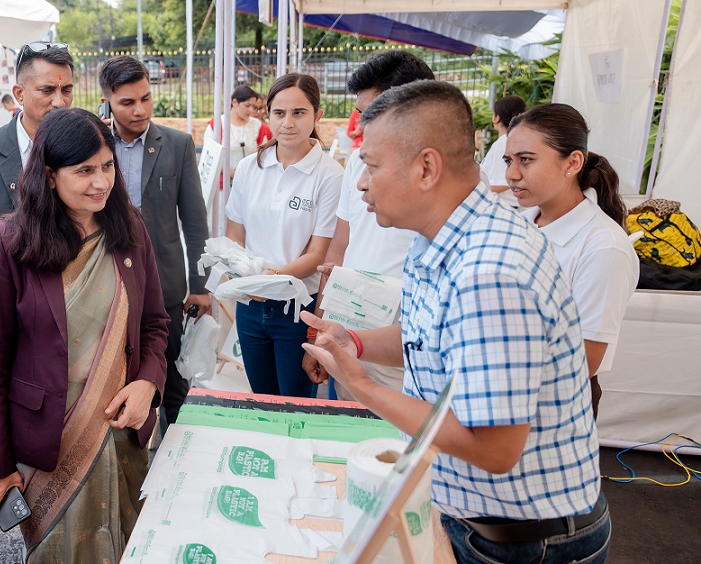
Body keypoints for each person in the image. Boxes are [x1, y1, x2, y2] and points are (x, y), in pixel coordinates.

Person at [302, 80, 609, 564]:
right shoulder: (444, 236)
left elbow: (494, 449)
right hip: (479, 522)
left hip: (521, 542)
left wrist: (362, 386)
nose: (360, 183)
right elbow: (431, 336)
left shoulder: (489, 272)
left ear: (426, 167)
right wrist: (354, 343)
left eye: (372, 166)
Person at [0, 108, 168, 563]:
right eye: (84, 170)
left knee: (126, 546)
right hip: (49, 444)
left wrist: (149, 384)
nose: (101, 181)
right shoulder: (9, 243)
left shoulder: (129, 229)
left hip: (121, 430)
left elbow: (155, 323)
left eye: (107, 166)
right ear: (49, 174)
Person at [303, 50, 434, 396]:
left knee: (394, 443)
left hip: (406, 345)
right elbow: (340, 248)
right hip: (348, 329)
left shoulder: (454, 184)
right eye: (359, 113)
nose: (359, 126)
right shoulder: (360, 165)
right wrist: (321, 331)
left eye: (369, 114)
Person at [505, 103, 639, 419]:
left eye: (526, 160)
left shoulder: (603, 247)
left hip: (555, 401)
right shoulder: (518, 225)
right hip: (504, 386)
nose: (511, 174)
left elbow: (584, 360)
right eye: (509, 160)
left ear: (573, 162)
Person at [97, 55, 210, 429]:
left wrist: (200, 286)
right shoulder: (92, 144)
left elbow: (194, 222)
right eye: (127, 102)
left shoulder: (176, 145)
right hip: (105, 284)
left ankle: (174, 466)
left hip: (164, 285)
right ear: (107, 101)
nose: (140, 109)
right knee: (112, 382)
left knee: (174, 382)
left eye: (146, 98)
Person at [226, 73, 343, 398]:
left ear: (317, 116)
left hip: (296, 310)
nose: (287, 122)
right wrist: (249, 280)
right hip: (250, 306)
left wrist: (266, 280)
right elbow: (234, 233)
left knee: (294, 405)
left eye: (299, 113)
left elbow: (318, 254)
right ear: (268, 115)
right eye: (279, 113)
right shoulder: (251, 167)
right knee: (262, 400)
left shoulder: (330, 174)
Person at [0, 42, 75, 331]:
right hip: (13, 324)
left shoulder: (87, 150)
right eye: (47, 90)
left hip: (78, 322)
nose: (59, 102)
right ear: (19, 94)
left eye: (66, 89)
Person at [203, 85, 273, 178]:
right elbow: (211, 156)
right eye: (247, 105)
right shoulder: (216, 125)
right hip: (222, 185)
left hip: (251, 182)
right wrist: (233, 175)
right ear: (234, 102)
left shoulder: (260, 127)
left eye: (253, 106)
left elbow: (266, 156)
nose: (251, 110)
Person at [480, 94, 527, 207]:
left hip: (506, 205)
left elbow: (502, 183)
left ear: (496, 118)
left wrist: (474, 191)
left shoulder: (503, 144)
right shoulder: (520, 140)